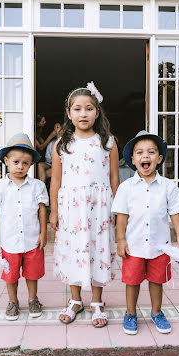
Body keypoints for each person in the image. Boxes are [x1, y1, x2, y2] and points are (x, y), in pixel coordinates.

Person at [50, 81, 119, 328]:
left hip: (100, 207)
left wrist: (117, 211)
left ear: (97, 112)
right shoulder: (62, 144)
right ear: (69, 113)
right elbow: (56, 179)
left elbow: (113, 178)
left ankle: (97, 302)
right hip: (71, 208)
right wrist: (54, 211)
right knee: (74, 250)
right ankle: (75, 300)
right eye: (77, 109)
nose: (83, 114)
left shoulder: (108, 142)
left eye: (89, 108)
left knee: (98, 251)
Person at [111, 130, 179, 335]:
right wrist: (120, 239)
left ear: (160, 158)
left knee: (157, 281)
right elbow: (121, 215)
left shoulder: (168, 186)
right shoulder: (126, 188)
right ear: (133, 160)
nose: (145, 156)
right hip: (134, 244)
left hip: (159, 245)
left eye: (151, 152)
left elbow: (175, 212)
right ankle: (130, 313)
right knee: (132, 281)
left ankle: (156, 312)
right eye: (140, 153)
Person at [0, 133, 49, 321]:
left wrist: (44, 233)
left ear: (31, 165)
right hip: (9, 241)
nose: (20, 166)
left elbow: (42, 210)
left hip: (32, 239)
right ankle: (13, 301)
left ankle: (33, 299)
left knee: (32, 273)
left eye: (25, 163)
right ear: (6, 161)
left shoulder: (37, 186)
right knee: (10, 274)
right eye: (16, 162)